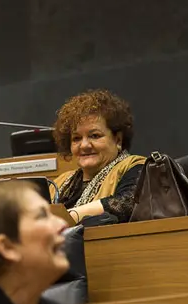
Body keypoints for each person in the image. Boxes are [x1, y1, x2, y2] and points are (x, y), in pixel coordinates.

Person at [51, 89, 147, 223]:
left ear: (118, 140)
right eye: (76, 138)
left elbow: (128, 204)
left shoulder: (137, 167)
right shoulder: (58, 183)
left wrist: (65, 218)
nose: (84, 145)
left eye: (94, 136)